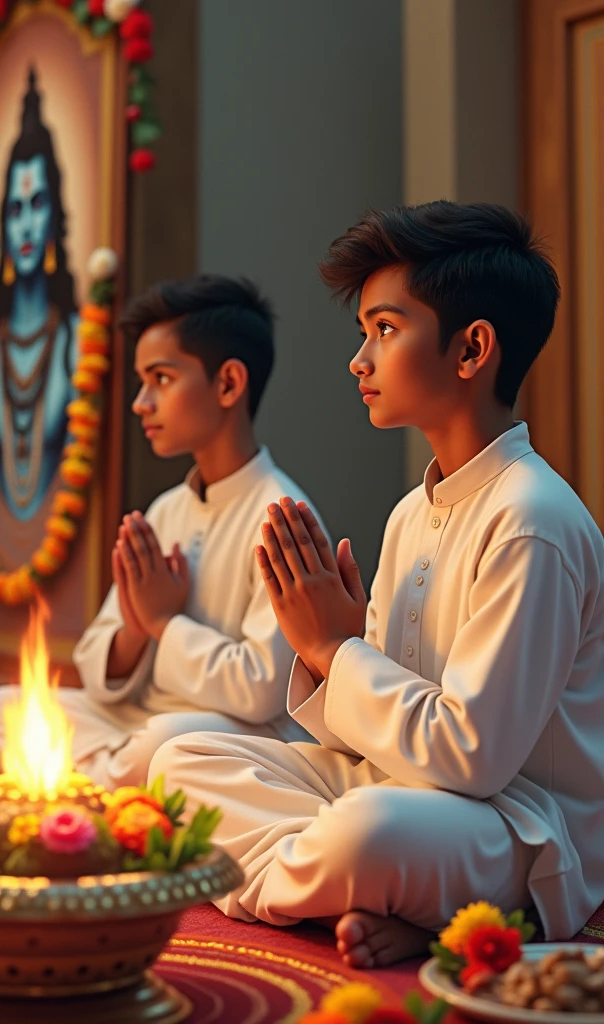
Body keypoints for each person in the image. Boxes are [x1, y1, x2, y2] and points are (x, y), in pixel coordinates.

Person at [148, 202, 604, 970]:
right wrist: (333, 654)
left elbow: (473, 756)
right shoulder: (409, 514)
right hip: (402, 787)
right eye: (365, 333)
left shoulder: (531, 520)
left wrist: (335, 644)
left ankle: (379, 893)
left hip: (520, 826)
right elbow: (370, 734)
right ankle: (382, 902)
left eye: (385, 330)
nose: (359, 359)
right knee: (180, 761)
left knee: (368, 833)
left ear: (472, 349)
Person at [0, 274, 323, 790]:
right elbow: (97, 666)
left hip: (222, 735)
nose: (140, 402)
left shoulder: (280, 517)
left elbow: (261, 691)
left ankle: (49, 785)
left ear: (228, 383)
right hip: (133, 726)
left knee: (167, 744)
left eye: (160, 379)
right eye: (142, 381)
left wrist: (163, 622)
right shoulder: (165, 510)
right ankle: (82, 787)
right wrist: (137, 628)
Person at [0, 67, 78, 521]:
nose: (27, 226)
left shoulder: (75, 345)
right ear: (3, 225)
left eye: (37, 205)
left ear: (55, 214)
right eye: (15, 210)